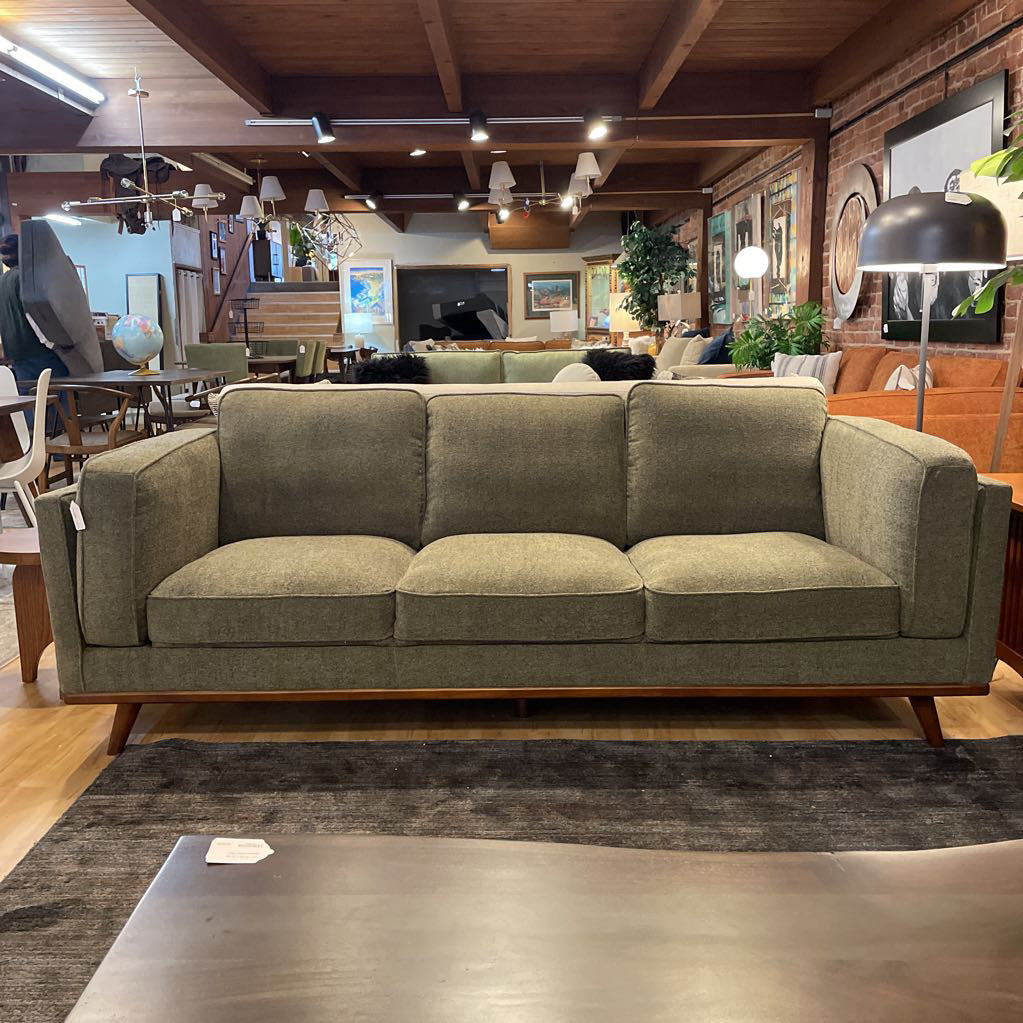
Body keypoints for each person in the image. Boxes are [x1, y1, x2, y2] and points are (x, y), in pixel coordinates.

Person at [0, 233, 70, 390]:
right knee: (57, 398)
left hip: (17, 355)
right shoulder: (25, 279)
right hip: (40, 353)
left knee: (30, 402)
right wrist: (53, 343)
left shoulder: (2, 281)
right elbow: (33, 314)